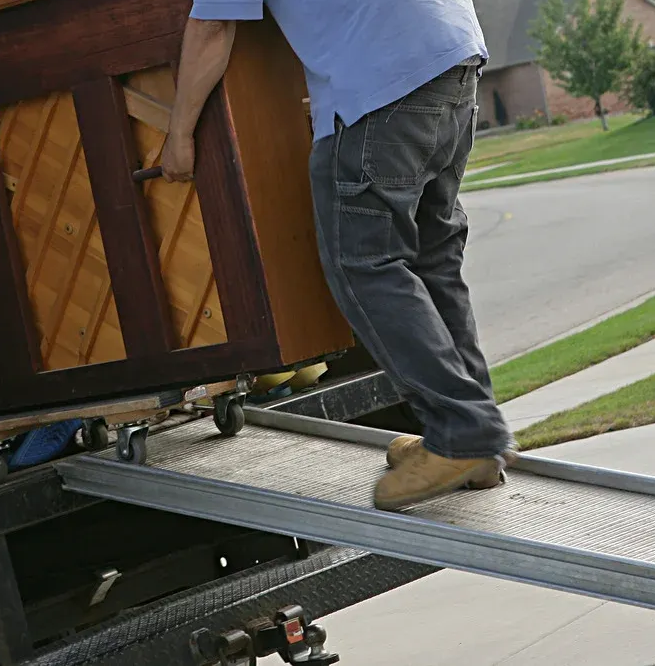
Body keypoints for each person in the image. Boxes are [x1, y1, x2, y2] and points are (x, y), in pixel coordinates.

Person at [162, 1, 517, 511]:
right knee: (431, 261)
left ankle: (464, 433)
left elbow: (213, 26)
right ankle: (476, 442)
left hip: (383, 83)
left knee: (365, 265)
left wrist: (178, 135)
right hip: (453, 55)